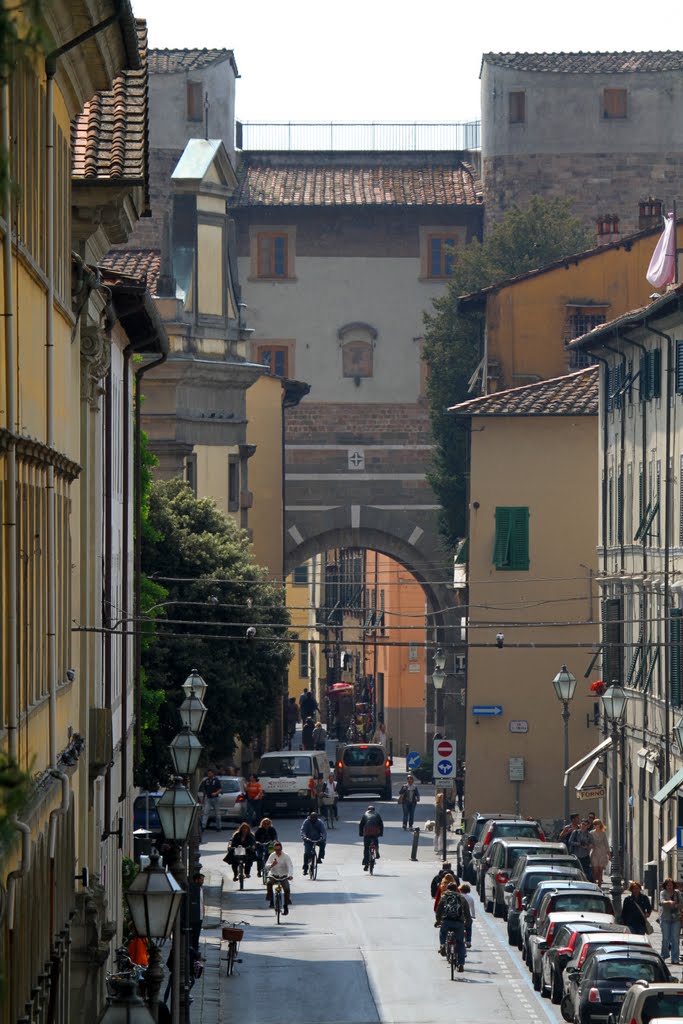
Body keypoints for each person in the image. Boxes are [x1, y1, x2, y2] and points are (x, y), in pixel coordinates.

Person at [435, 881, 471, 971]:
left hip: (446, 921)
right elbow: (467, 913)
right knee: (460, 943)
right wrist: (467, 923)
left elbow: (439, 909)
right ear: (457, 889)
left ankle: (442, 945)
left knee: (443, 932)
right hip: (459, 923)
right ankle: (461, 964)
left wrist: (438, 920)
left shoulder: (444, 897)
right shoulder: (461, 898)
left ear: (447, 889)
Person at [265, 841, 294, 914]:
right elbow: (266, 866)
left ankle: (286, 906)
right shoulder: (272, 855)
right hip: (274, 876)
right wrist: (272, 864)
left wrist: (290, 875)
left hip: (283, 876)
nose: (278, 852)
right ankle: (271, 900)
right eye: (276, 850)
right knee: (269, 884)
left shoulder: (286, 856)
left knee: (287, 889)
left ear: (281, 849)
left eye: (279, 850)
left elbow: (290, 866)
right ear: (274, 850)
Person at [659, 877, 682, 963]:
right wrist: (669, 902)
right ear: (665, 886)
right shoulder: (663, 892)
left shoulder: (677, 893)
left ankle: (675, 958)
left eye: (671, 885)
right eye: (668, 885)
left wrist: (678, 905)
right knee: (666, 939)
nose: (669, 886)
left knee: (675, 939)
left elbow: (681, 903)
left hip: (676, 918)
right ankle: (664, 955)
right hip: (665, 918)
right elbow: (661, 901)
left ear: (673, 885)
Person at [300, 810, 327, 874]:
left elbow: (323, 831)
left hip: (317, 839)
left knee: (323, 844)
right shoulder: (306, 822)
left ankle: (320, 858)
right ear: (310, 817)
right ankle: (305, 868)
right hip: (308, 840)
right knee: (307, 853)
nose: (314, 819)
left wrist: (323, 838)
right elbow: (303, 831)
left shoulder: (319, 822)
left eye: (315, 818)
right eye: (313, 817)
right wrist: (305, 837)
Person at [358, 804, 384, 870]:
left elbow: (361, 825)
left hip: (367, 833)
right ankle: (376, 854)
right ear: (374, 810)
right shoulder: (377, 815)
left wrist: (361, 833)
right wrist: (380, 833)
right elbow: (381, 825)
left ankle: (366, 862)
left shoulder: (365, 815)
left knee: (366, 848)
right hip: (374, 833)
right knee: (375, 844)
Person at [588, 818, 611, 887]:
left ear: (599, 825)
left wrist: (609, 855)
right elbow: (588, 842)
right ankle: (594, 885)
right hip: (594, 852)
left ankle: (599, 886)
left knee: (600, 871)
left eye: (596, 824)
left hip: (602, 853)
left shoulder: (603, 833)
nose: (594, 825)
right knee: (595, 870)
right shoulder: (591, 833)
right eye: (593, 824)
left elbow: (606, 844)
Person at [189, 871, 205, 951]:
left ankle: (195, 952)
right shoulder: (194, 889)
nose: (203, 881)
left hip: (200, 916)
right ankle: (194, 954)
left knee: (196, 936)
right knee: (194, 937)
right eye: (201, 880)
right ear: (196, 880)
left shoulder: (200, 889)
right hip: (195, 917)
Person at [459, 882, 476, 948]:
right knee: (469, 927)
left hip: (459, 915)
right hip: (467, 915)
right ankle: (468, 941)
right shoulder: (470, 898)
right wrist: (473, 916)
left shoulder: (459, 897)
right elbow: (472, 908)